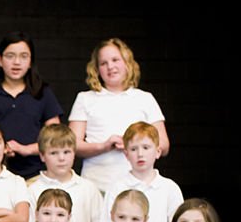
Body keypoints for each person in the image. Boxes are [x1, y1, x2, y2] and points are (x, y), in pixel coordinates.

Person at [68, 38, 169, 193]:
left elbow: (164, 144)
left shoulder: (145, 98)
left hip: (139, 186)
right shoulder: (85, 98)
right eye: (103, 63)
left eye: (115, 60)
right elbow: (72, 144)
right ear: (97, 69)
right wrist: (104, 146)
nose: (110, 66)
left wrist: (134, 145)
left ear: (127, 63)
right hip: (96, 186)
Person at [0, 32, 62, 180]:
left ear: (30, 61)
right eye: (10, 56)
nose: (17, 62)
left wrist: (26, 149)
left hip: (36, 176)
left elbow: (56, 138)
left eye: (23, 56)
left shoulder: (43, 92)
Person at [99, 122, 182, 222]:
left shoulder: (170, 188)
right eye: (133, 149)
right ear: (126, 155)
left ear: (158, 152)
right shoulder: (117, 187)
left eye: (146, 147)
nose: (140, 154)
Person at [27, 124, 102, 222]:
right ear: (42, 156)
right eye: (54, 153)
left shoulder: (88, 188)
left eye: (67, 152)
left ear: (74, 153)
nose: (61, 158)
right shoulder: (33, 190)